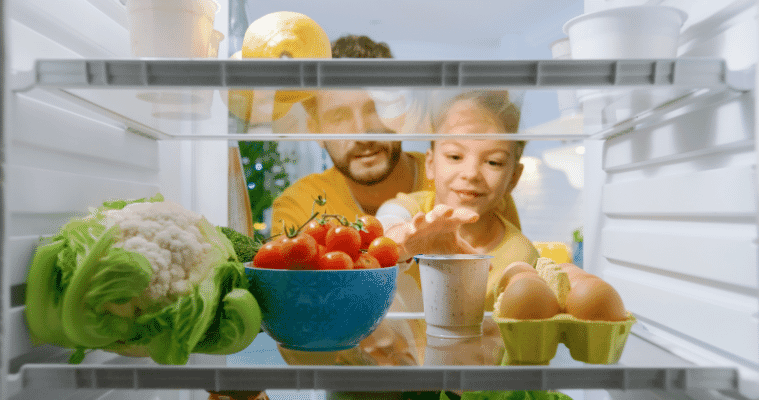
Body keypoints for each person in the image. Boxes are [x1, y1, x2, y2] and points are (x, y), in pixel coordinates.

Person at [375, 91, 540, 362]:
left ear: (513, 178)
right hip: (401, 375)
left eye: (493, 162)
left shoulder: (520, 254)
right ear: (430, 163)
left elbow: (514, 346)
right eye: (454, 156)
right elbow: (388, 220)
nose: (471, 173)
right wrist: (403, 240)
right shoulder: (415, 210)